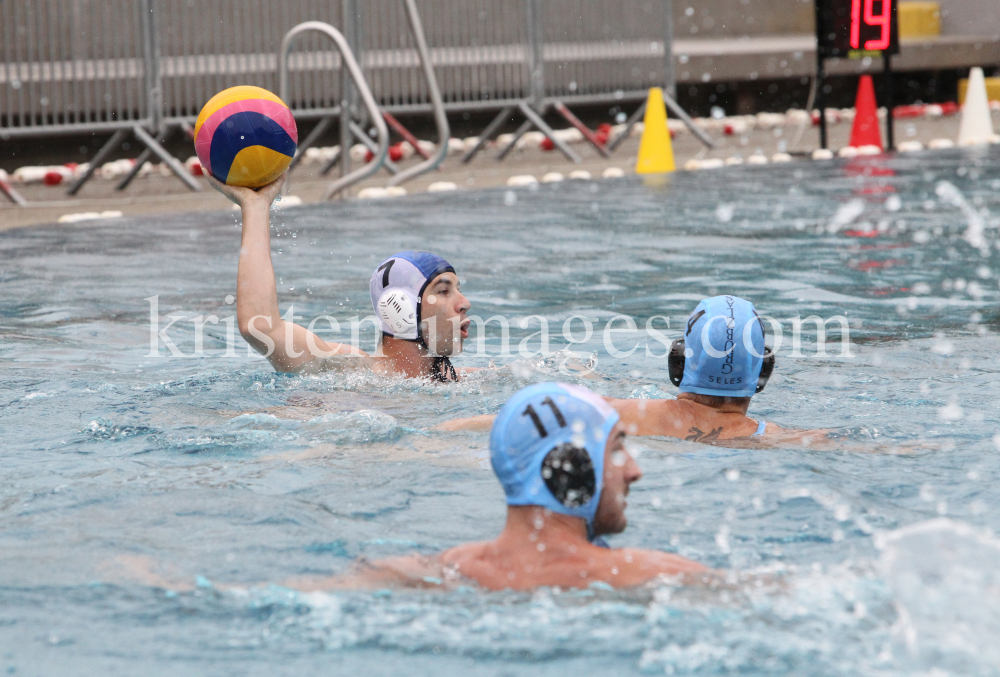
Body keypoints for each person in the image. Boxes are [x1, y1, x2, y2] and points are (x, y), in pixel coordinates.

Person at [110, 383, 709, 592]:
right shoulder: (653, 576)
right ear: (570, 468)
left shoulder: (431, 573)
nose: (635, 469)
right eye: (618, 449)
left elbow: (259, 593)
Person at [436, 296, 827, 446]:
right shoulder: (778, 439)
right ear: (762, 374)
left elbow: (506, 420)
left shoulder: (623, 414)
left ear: (679, 363)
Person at [207, 174, 471, 381]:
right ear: (400, 308)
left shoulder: (462, 381)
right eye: (444, 290)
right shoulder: (346, 371)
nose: (464, 303)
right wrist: (255, 206)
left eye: (457, 289)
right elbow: (260, 326)